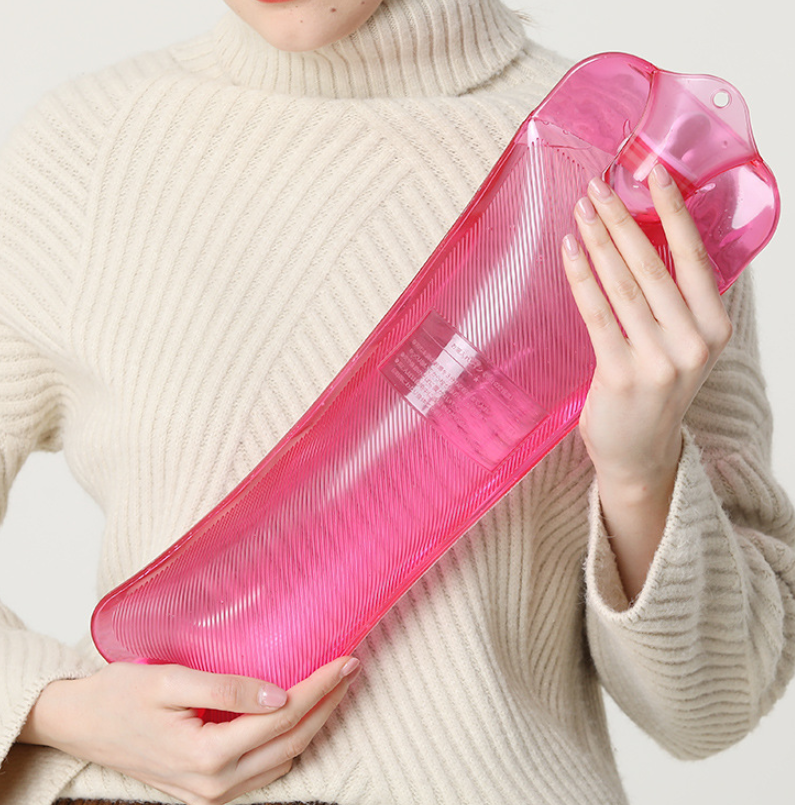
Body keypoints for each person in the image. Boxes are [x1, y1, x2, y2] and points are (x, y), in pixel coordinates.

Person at [1, 0, 793, 803]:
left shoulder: (631, 175)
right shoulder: (79, 156)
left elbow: (714, 705)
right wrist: (59, 709)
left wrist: (640, 471)